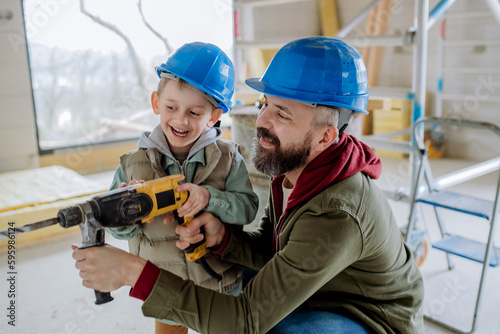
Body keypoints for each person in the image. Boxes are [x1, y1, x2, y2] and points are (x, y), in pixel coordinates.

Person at [73, 37, 424, 334]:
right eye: (264, 104)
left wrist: (134, 272)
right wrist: (222, 238)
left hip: (367, 316)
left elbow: (248, 320)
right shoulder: (294, 169)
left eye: (282, 114)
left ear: (325, 136)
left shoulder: (337, 212)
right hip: (323, 288)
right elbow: (275, 252)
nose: (261, 121)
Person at [104, 41, 259, 334]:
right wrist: (128, 211)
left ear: (214, 116)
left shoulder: (228, 158)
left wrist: (210, 198)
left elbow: (247, 208)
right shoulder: (132, 165)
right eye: (171, 107)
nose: (181, 119)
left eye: (195, 112)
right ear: (155, 103)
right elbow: (115, 228)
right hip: (166, 285)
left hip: (221, 283)